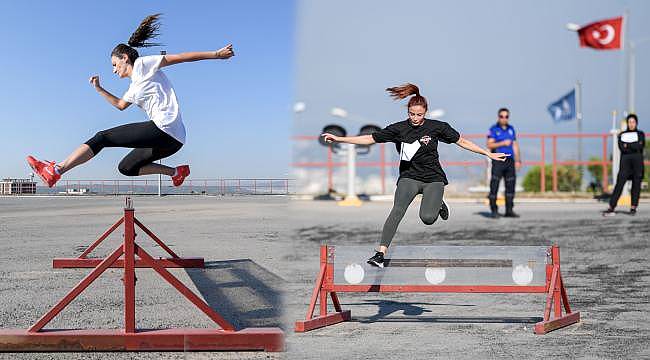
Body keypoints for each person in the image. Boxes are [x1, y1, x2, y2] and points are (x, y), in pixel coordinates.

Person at [27, 14, 235, 188]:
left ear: (125, 57)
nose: (113, 69)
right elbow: (120, 105)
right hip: (174, 141)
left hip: (165, 128)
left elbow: (181, 57)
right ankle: (175, 172)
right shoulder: (134, 87)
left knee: (102, 137)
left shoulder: (144, 64)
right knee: (126, 168)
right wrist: (99, 89)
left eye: (115, 64)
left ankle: (56, 170)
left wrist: (216, 54)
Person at [321, 83, 507, 268]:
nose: (415, 118)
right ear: (408, 111)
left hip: (433, 179)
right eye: (412, 114)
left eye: (419, 115)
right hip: (409, 177)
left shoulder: (438, 127)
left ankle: (437, 202)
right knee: (397, 211)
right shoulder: (398, 129)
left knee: (427, 218)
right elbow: (370, 138)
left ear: (425, 112)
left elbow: (462, 141)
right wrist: (340, 139)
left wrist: (488, 153)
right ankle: (380, 253)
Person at [603, 113, 645, 216]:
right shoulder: (622, 135)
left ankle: (633, 207)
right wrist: (632, 146)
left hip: (637, 163)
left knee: (636, 185)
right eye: (629, 122)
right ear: (627, 123)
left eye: (633, 122)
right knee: (619, 184)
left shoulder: (640, 134)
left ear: (636, 123)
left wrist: (628, 145)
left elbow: (640, 146)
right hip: (625, 163)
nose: (631, 124)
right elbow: (622, 147)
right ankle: (611, 206)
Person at [486, 107, 521, 218]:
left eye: (506, 116)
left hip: (510, 160)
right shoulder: (494, 129)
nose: (504, 118)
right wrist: (502, 143)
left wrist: (518, 160)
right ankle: (494, 210)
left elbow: (515, 145)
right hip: (498, 159)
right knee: (495, 185)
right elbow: (489, 144)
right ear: (498, 117)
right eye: (502, 116)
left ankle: (509, 210)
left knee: (510, 185)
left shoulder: (511, 129)